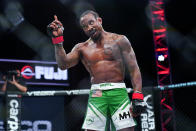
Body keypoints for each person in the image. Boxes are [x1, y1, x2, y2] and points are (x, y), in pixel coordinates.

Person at [47, 10, 146, 131]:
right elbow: (63, 65)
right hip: (97, 93)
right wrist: (58, 41)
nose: (89, 27)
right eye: (85, 26)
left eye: (91, 23)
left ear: (99, 20)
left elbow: (134, 68)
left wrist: (138, 95)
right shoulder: (81, 48)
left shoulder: (119, 40)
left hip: (118, 92)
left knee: (126, 129)